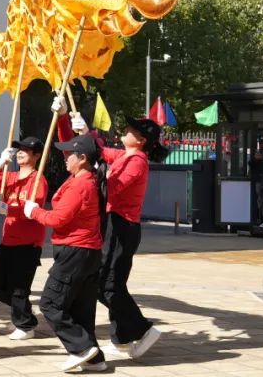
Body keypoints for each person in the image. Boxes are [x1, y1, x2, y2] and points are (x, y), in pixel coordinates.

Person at [55, 99, 167, 361]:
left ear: (140, 140)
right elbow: (99, 151)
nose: (124, 132)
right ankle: (124, 337)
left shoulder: (137, 161)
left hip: (122, 226)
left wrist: (96, 168)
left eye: (130, 130)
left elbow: (112, 187)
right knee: (109, 283)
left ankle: (142, 328)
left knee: (108, 284)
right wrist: (77, 127)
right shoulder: (128, 155)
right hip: (114, 225)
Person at [24, 134, 106, 372]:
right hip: (87, 252)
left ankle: (81, 348)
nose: (65, 157)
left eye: (70, 154)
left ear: (82, 158)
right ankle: (94, 358)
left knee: (50, 303)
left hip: (75, 251)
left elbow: (58, 218)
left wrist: (35, 212)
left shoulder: (81, 184)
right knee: (81, 308)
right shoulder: (84, 179)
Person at [0, 136, 49, 341]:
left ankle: (25, 325)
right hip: (8, 239)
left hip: (28, 242)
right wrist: (0, 163)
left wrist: (9, 209)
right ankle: (25, 312)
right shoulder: (9, 177)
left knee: (20, 287)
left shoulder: (39, 180)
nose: (20, 153)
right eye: (18, 150)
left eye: (26, 150)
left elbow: (32, 209)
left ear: (37, 155)